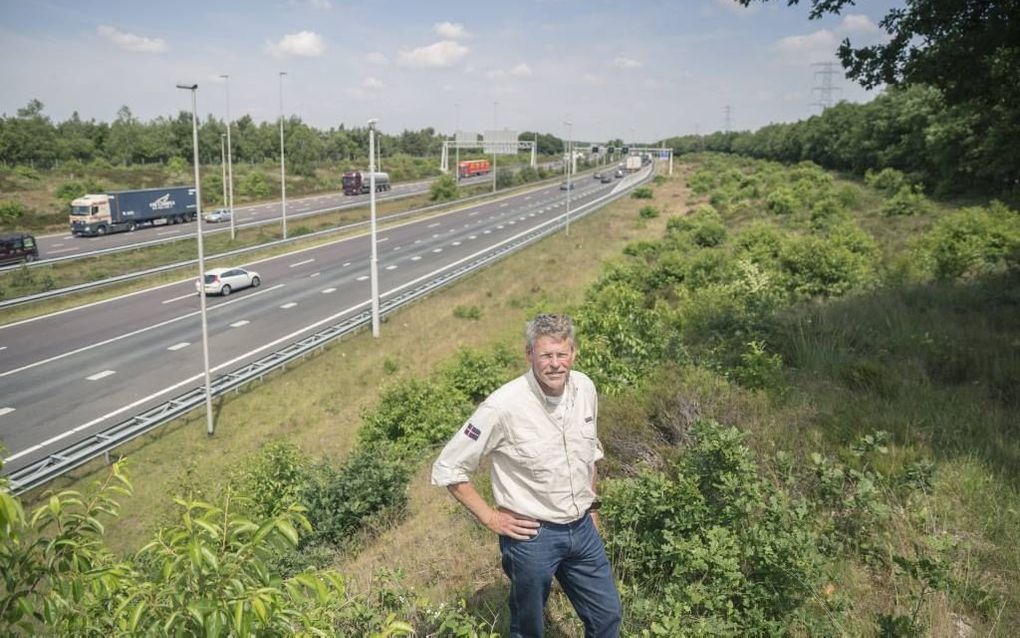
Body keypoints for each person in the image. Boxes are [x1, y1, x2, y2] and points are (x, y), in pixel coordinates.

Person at [431, 313, 622, 637]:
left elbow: (589, 453)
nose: (555, 363)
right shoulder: (503, 406)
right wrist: (491, 518)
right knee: (529, 627)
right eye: (546, 355)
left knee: (607, 616)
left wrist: (591, 507)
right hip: (532, 536)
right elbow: (448, 466)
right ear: (529, 354)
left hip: (582, 528)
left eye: (562, 354)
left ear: (573, 353)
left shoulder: (585, 388)